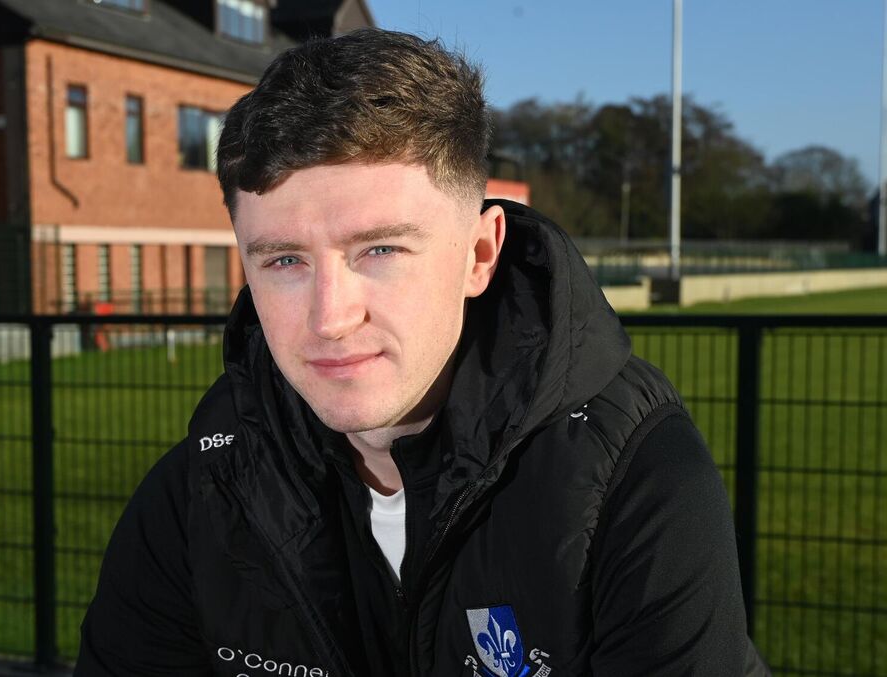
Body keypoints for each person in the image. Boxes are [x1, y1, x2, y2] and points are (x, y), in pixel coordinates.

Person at [76, 28, 769, 677]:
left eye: (380, 249)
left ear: (478, 254)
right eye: (284, 260)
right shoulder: (205, 488)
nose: (331, 317)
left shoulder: (632, 481)